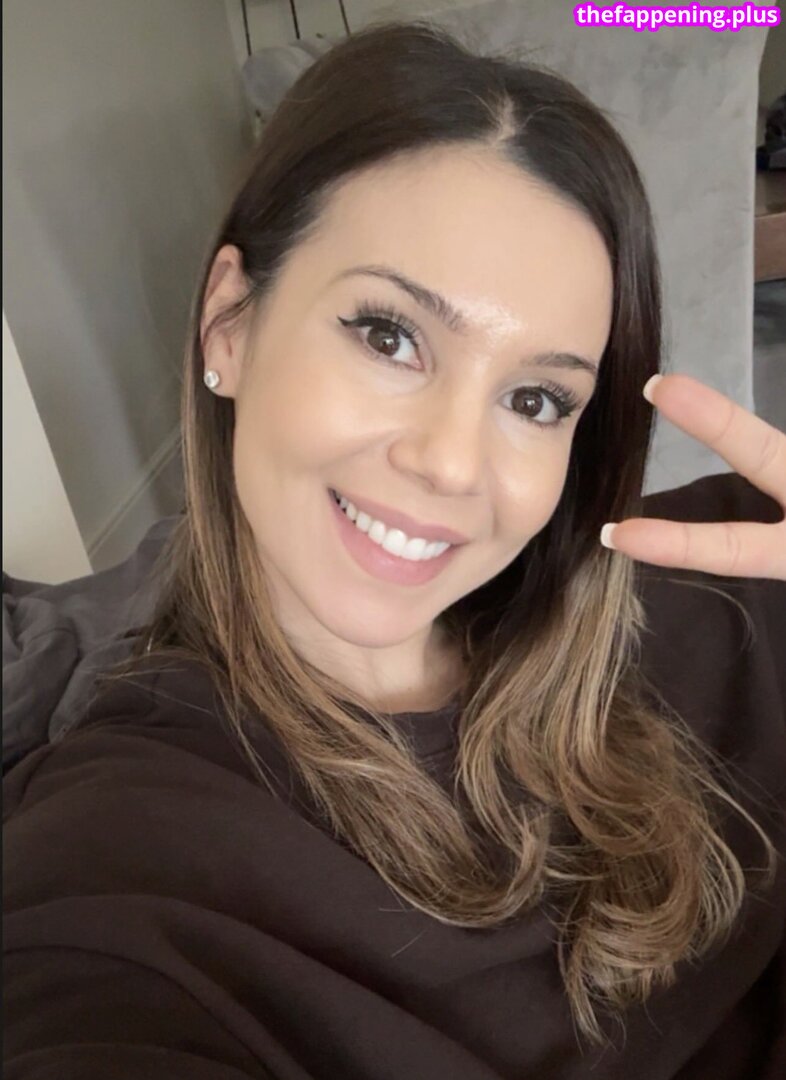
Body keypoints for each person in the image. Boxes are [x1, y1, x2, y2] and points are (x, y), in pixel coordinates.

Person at [3, 20, 785, 1080]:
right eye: (389, 336)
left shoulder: (734, 577)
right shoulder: (123, 862)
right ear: (230, 323)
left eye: (536, 399)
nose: (452, 464)